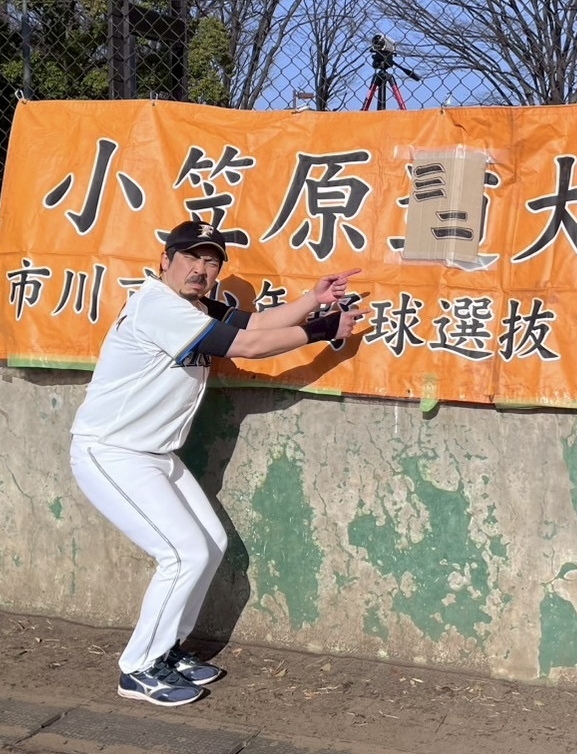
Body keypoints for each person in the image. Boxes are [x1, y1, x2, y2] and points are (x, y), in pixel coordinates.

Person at [69, 219, 365, 707]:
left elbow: (253, 324)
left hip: (154, 454)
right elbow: (248, 346)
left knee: (210, 544)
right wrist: (321, 328)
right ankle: (138, 669)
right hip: (111, 452)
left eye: (211, 261)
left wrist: (313, 300)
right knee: (183, 552)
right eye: (191, 257)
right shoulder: (157, 305)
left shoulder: (196, 307)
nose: (201, 269)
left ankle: (167, 649)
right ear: (165, 261)